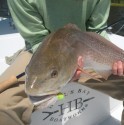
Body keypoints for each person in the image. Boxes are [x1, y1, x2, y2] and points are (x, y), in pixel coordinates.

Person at [0, 0, 124, 125]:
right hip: (38, 54)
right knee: (2, 106)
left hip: (87, 46)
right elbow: (36, 39)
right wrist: (64, 69)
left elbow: (97, 30)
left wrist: (114, 58)